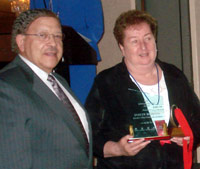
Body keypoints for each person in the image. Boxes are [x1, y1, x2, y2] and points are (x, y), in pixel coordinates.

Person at [85, 9, 200, 169]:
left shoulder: (175, 76)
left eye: (148, 38)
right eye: (134, 41)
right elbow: (87, 135)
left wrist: (190, 136)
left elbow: (197, 120)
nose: (144, 47)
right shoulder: (107, 82)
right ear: (122, 47)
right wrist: (117, 148)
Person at [0, 9, 92, 169]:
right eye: (43, 35)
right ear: (21, 42)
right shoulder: (6, 86)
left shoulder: (59, 81)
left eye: (57, 36)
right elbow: (11, 159)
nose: (53, 43)